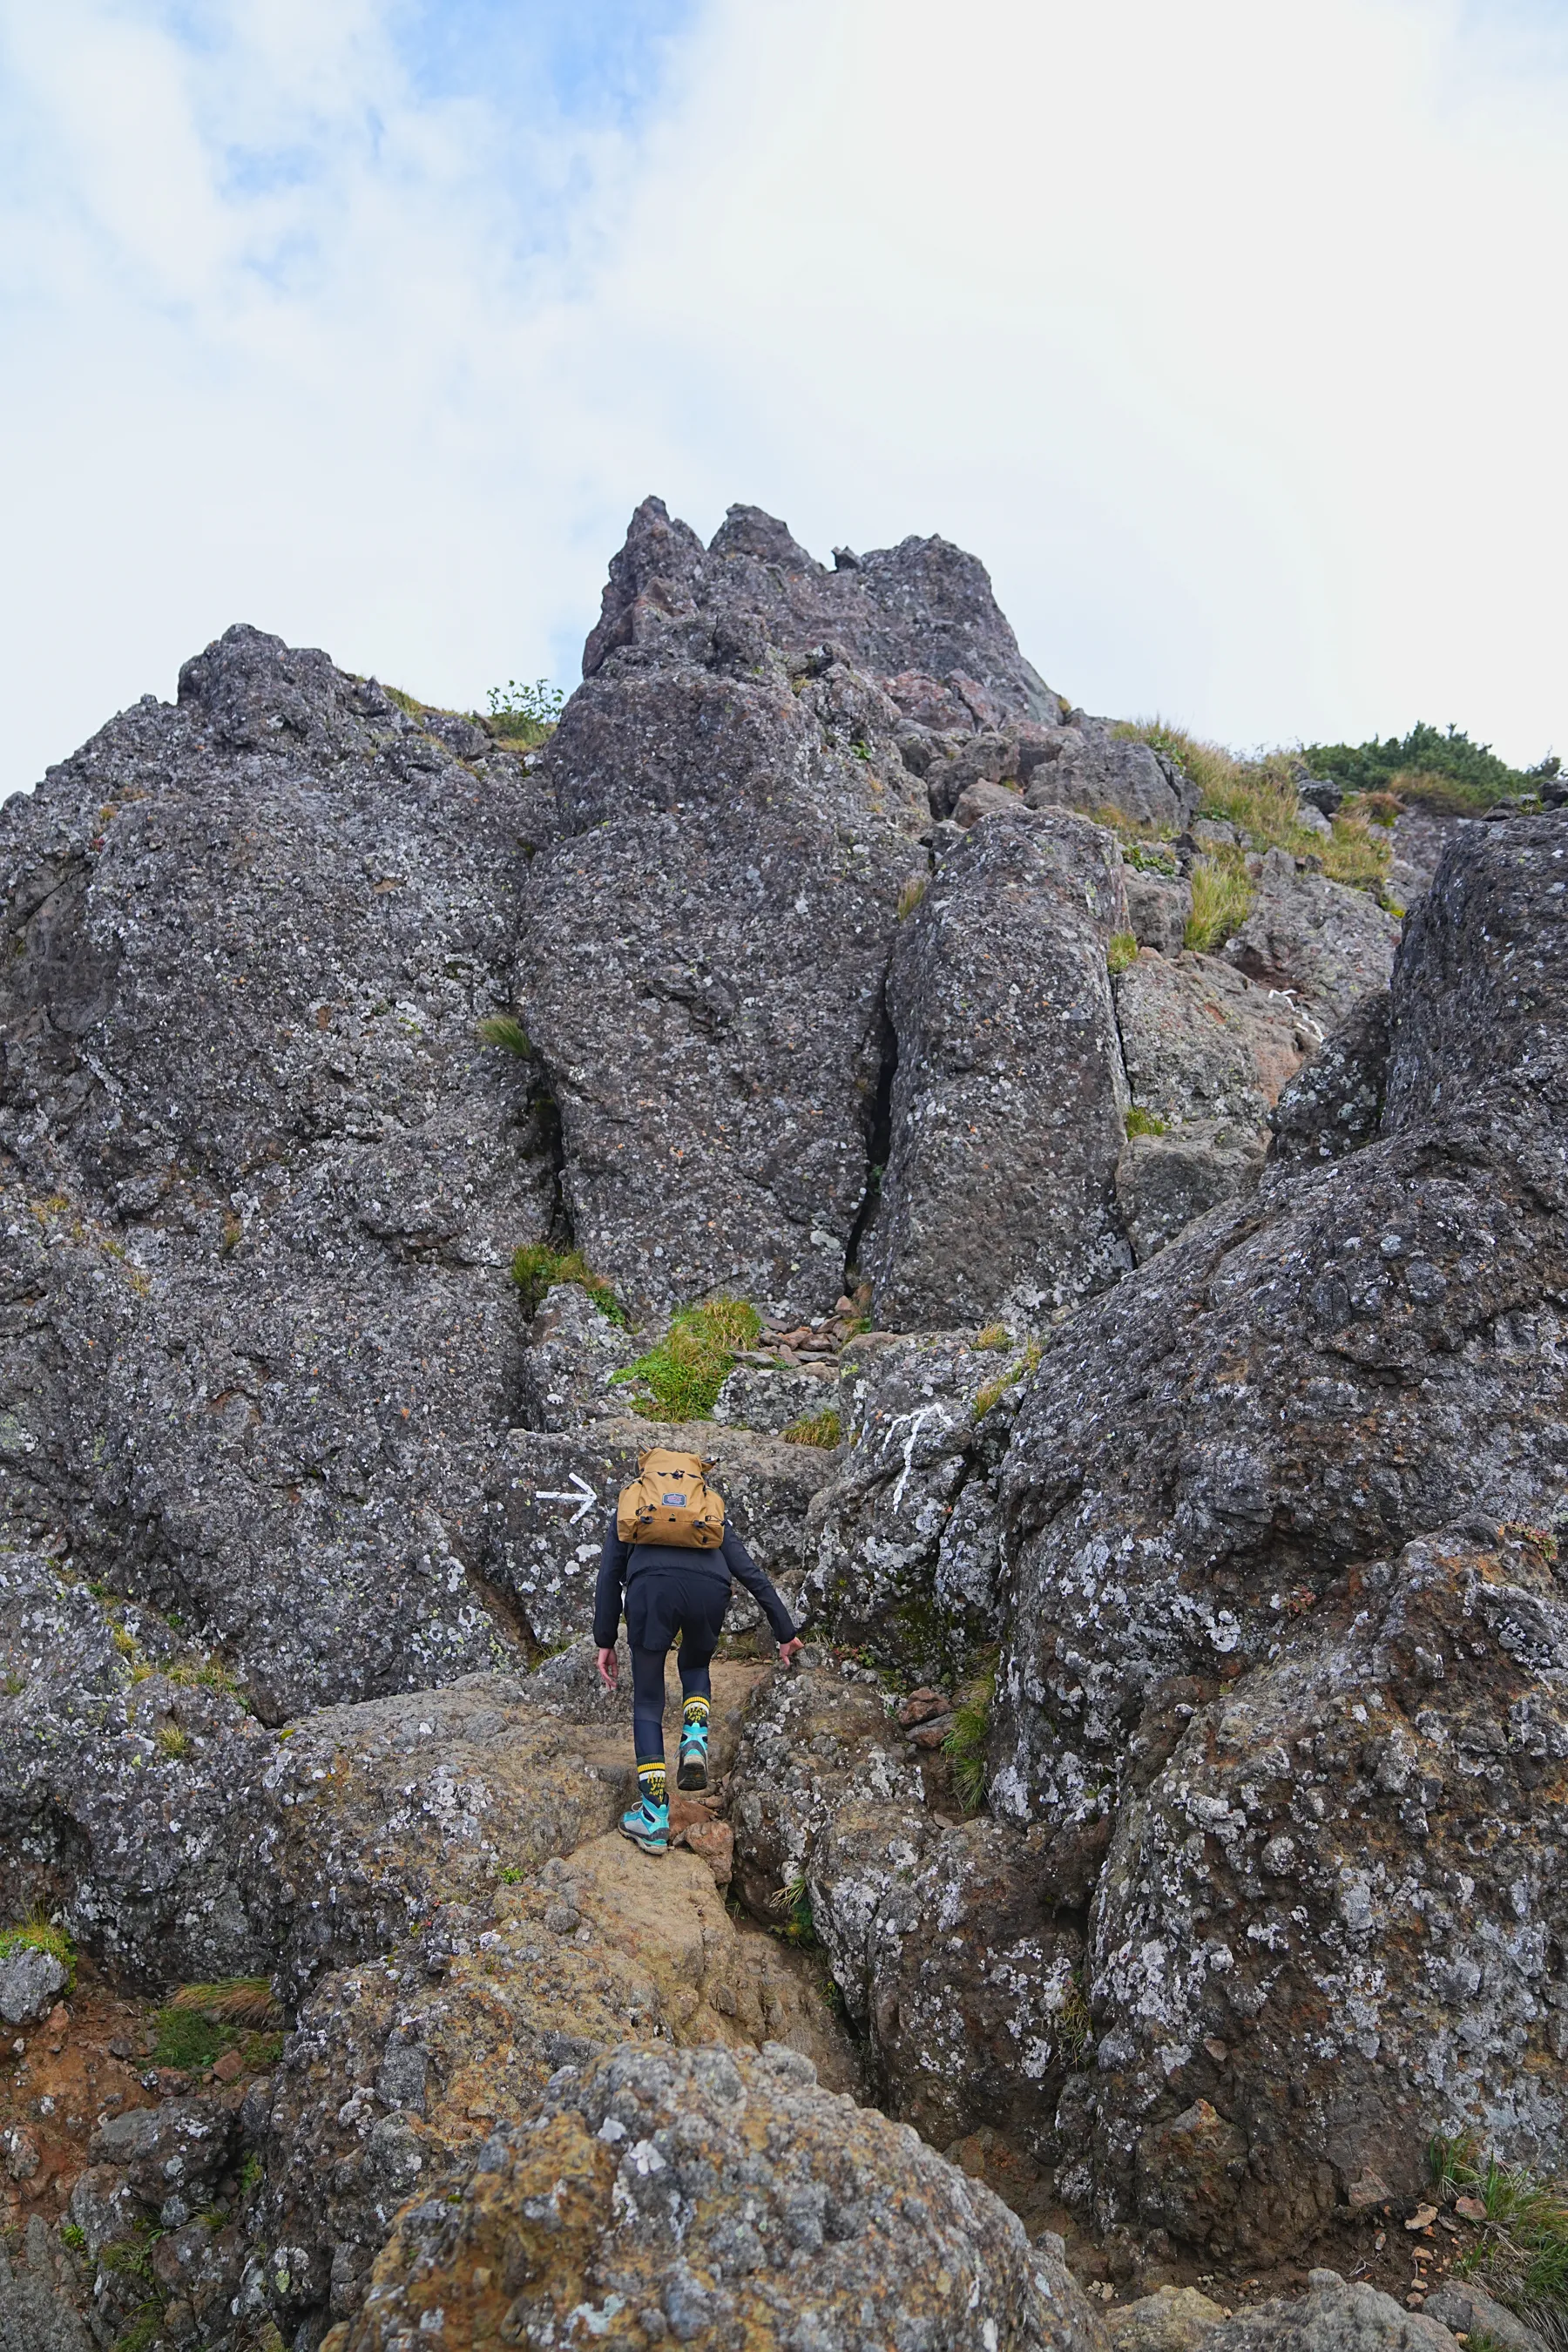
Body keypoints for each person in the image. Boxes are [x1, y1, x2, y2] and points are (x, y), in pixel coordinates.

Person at [594, 1500, 803, 1855]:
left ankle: (653, 1817)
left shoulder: (633, 1504)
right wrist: (785, 1630)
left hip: (651, 1589)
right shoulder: (705, 1506)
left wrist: (605, 1639)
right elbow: (748, 1570)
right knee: (694, 1666)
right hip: (710, 1588)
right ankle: (694, 1739)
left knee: (648, 1701)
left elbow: (609, 1575)